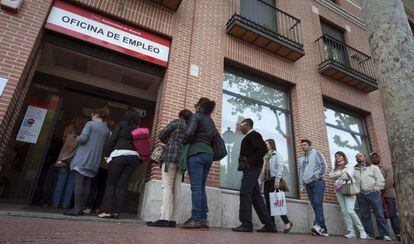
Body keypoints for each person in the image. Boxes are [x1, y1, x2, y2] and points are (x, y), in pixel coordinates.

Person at [146, 109, 193, 227]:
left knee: (167, 186)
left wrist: (170, 141)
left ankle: (164, 218)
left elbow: (161, 134)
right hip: (181, 160)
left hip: (170, 156)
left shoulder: (177, 122)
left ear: (180, 115)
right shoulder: (190, 128)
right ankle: (173, 220)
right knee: (177, 189)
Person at [63, 108, 110, 216]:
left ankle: (76, 208)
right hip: (95, 160)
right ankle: (81, 208)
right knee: (87, 184)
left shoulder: (90, 124)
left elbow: (83, 139)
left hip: (84, 157)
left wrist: (77, 138)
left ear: (94, 115)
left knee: (79, 182)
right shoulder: (106, 130)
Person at [232, 118, 277, 233]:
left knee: (245, 193)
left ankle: (246, 224)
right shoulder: (249, 136)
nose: (239, 127)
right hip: (251, 169)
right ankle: (270, 225)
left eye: (240, 125)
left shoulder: (254, 135)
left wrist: (249, 162)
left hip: (252, 169)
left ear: (246, 125)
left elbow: (262, 150)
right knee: (256, 197)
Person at [98, 108, 142, 219]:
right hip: (134, 157)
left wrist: (107, 154)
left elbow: (113, 140)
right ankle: (117, 212)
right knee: (123, 184)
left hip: (119, 154)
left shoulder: (121, 124)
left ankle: (108, 211)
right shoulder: (138, 128)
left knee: (111, 183)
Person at [181, 97, 217, 229]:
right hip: (208, 154)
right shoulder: (211, 121)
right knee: (201, 187)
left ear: (199, 106)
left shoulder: (197, 116)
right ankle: (203, 219)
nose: (194, 107)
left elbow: (189, 133)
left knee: (196, 188)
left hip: (196, 153)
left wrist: (182, 141)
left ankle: (195, 219)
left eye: (195, 105)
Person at [329, 151, 367, 239]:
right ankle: (351, 232)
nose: (337, 157)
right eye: (336, 156)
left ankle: (361, 230)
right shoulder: (335, 167)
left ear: (343, 157)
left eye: (339, 156)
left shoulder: (349, 165)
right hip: (338, 190)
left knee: (350, 210)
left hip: (348, 189)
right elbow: (330, 175)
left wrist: (338, 174)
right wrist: (339, 174)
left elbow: (348, 175)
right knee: (345, 212)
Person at [353, 152, 391, 241]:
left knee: (379, 214)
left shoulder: (373, 167)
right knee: (365, 215)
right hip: (361, 195)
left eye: (360, 156)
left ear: (365, 157)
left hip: (373, 193)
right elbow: (353, 181)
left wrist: (377, 188)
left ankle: (384, 234)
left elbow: (380, 179)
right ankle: (369, 234)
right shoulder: (355, 169)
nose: (358, 157)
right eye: (356, 156)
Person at [51, 116, 87, 209]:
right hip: (76, 160)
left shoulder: (68, 130)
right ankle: (65, 204)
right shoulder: (84, 133)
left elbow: (63, 141)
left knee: (61, 180)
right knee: (71, 182)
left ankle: (55, 203)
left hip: (64, 158)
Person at [260, 139, 293, 233]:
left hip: (274, 180)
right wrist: (260, 182)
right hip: (267, 181)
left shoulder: (276, 154)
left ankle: (287, 222)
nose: (265, 145)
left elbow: (280, 167)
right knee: (269, 205)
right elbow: (263, 171)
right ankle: (271, 226)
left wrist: (277, 180)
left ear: (271, 145)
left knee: (276, 203)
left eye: (266, 144)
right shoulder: (266, 156)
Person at [298, 139, 328, 237]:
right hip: (308, 184)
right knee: (314, 204)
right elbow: (301, 172)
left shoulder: (316, 153)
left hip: (317, 182)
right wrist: (301, 185)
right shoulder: (301, 158)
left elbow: (324, 166)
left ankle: (318, 225)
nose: (303, 147)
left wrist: (318, 176)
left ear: (309, 145)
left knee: (317, 202)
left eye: (305, 145)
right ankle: (322, 228)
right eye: (302, 145)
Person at [369, 152, 400, 241]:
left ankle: (398, 233)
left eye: (376, 156)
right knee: (380, 215)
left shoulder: (387, 168)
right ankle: (384, 234)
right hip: (376, 196)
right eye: (373, 157)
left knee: (392, 215)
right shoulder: (370, 169)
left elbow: (390, 181)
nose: (375, 158)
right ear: (370, 160)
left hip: (388, 195)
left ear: (379, 158)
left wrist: (379, 188)